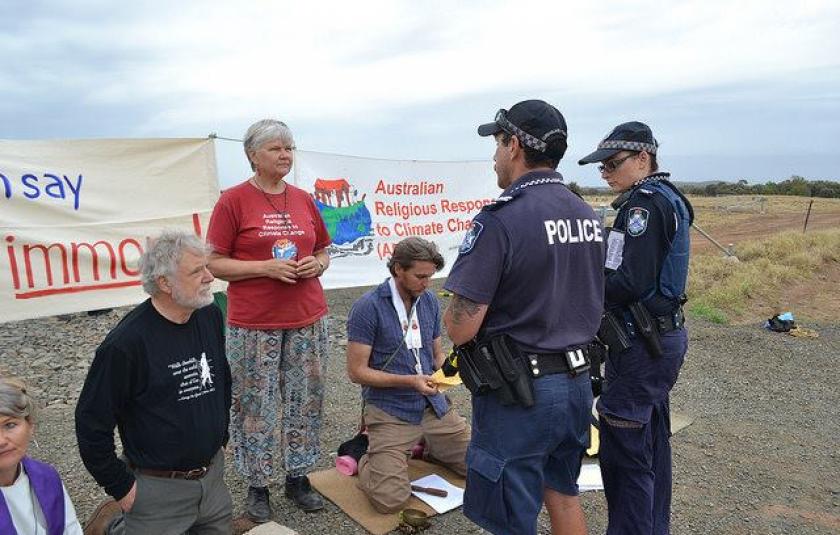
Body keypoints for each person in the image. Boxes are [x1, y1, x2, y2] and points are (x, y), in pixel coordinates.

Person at [443, 100, 605, 535]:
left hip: (521, 395)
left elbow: (462, 326)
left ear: (513, 145)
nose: (494, 156)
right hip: (575, 383)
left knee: (509, 518)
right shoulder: (586, 215)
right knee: (564, 495)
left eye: (497, 144)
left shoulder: (502, 219)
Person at [206, 119, 331, 519]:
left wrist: (318, 264)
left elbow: (326, 249)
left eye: (289, 148)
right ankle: (258, 484)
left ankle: (297, 475)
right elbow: (213, 261)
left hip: (306, 316)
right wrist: (265, 267)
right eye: (276, 148)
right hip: (253, 322)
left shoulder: (303, 198)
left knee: (305, 399)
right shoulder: (233, 201)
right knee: (254, 403)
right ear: (252, 155)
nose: (285, 155)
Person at [75, 231, 232, 535]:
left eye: (207, 267)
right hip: (157, 489)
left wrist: (220, 436)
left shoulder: (209, 315)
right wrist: (122, 487)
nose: (210, 277)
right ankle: (111, 525)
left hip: (212, 481)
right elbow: (90, 423)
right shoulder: (125, 345)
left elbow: (220, 378)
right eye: (197, 271)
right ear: (165, 283)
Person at [578, 121, 693, 535]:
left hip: (641, 342)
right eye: (602, 167)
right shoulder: (665, 197)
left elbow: (629, 280)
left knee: (624, 454)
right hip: (656, 338)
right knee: (650, 442)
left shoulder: (643, 205)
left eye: (613, 164)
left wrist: (582, 283)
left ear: (643, 158)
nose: (606, 173)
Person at [346, 237, 471, 513]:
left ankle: (427, 447)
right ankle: (369, 458)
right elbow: (356, 372)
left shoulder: (428, 301)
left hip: (433, 407)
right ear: (398, 269)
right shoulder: (368, 307)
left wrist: (450, 371)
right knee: (390, 501)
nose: (427, 283)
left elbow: (436, 353)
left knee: (479, 471)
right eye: (420, 276)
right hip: (392, 409)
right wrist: (409, 381)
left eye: (430, 276)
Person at [0, 376, 83, 534]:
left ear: (30, 425)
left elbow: (70, 530)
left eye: (10, 425)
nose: (1, 441)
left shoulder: (48, 478)